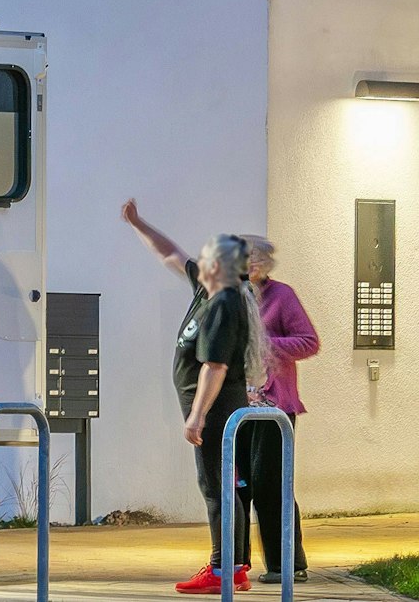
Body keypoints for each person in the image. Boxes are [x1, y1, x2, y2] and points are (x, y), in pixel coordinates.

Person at [121, 200, 270, 595]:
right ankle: (235, 566)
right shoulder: (208, 289)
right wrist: (138, 223)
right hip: (212, 407)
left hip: (217, 408)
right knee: (224, 485)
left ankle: (223, 569)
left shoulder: (224, 302)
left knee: (216, 486)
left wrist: (197, 415)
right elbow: (169, 252)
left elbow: (215, 366)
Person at [241, 236, 317, 584]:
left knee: (271, 484)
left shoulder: (282, 296)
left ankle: (288, 564)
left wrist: (265, 343)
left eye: (256, 258)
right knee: (240, 485)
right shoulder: (231, 297)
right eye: (244, 258)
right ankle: (234, 565)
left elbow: (309, 341)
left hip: (274, 407)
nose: (250, 264)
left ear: (267, 263)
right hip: (238, 409)